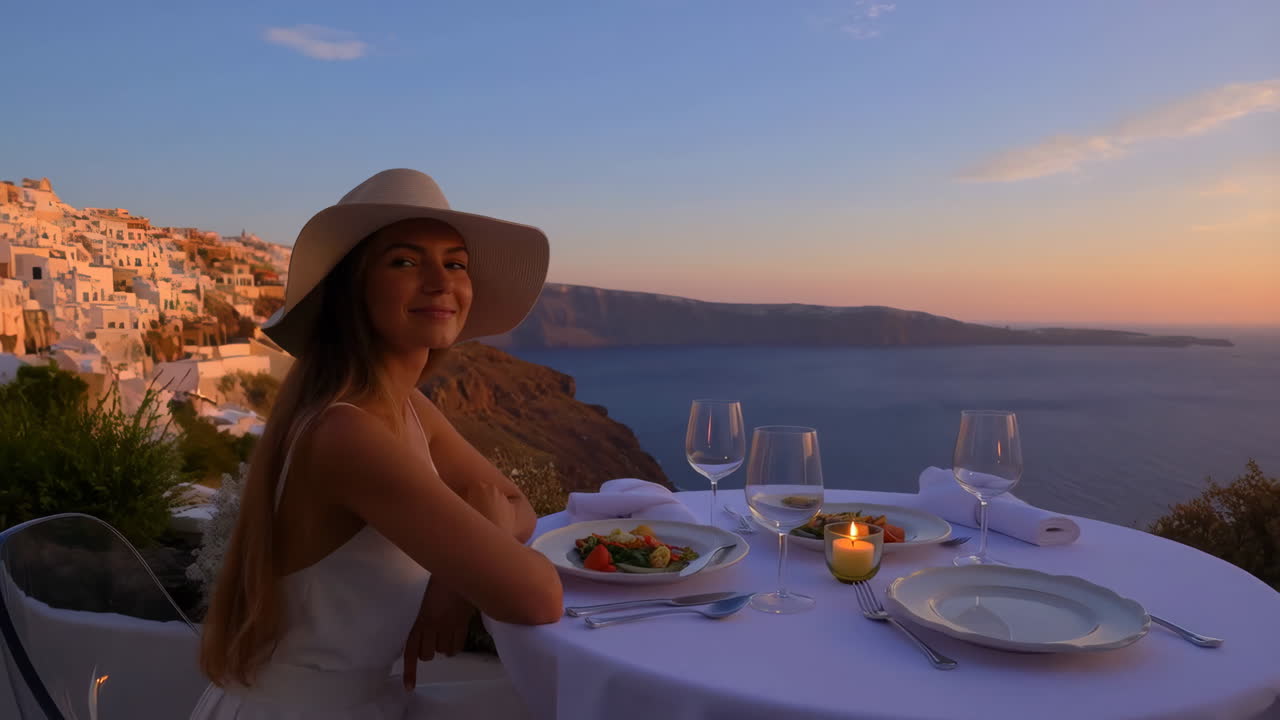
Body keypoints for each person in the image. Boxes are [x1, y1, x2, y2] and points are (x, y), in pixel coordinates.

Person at [189, 168, 563, 719]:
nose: (440, 281)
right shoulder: (348, 432)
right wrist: (471, 562)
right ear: (352, 289)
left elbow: (517, 507)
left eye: (455, 263)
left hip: (366, 700)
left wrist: (454, 576)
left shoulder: (404, 406)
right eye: (405, 261)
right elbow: (537, 597)